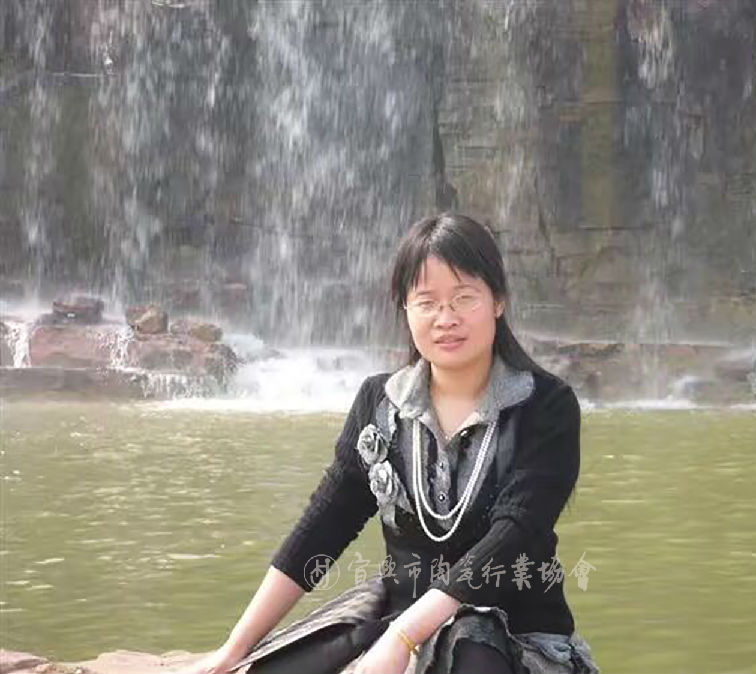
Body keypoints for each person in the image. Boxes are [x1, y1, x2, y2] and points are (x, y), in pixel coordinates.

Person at [182, 213, 600, 674]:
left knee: (471, 657)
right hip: (398, 620)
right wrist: (234, 647)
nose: (446, 318)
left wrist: (403, 637)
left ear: (498, 300)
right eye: (427, 302)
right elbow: (323, 526)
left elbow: (514, 536)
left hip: (515, 638)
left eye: (464, 298)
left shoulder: (546, 406)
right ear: (405, 307)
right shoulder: (378, 403)